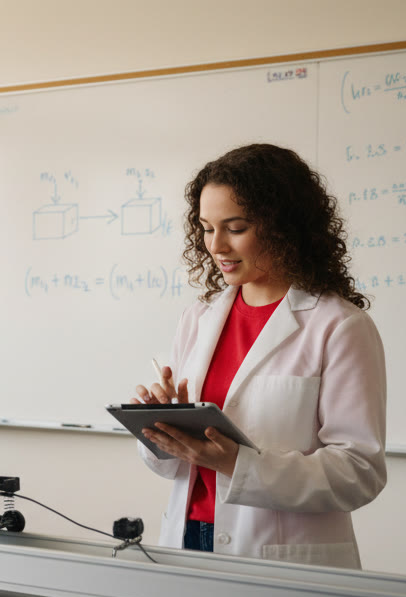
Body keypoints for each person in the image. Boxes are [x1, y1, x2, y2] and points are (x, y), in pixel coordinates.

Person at [133, 143, 386, 569]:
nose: (216, 246)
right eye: (206, 227)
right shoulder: (198, 319)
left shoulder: (339, 326)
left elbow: (359, 472)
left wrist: (238, 464)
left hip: (282, 555)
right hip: (188, 537)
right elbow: (177, 468)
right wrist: (163, 431)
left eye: (235, 227)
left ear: (283, 226)